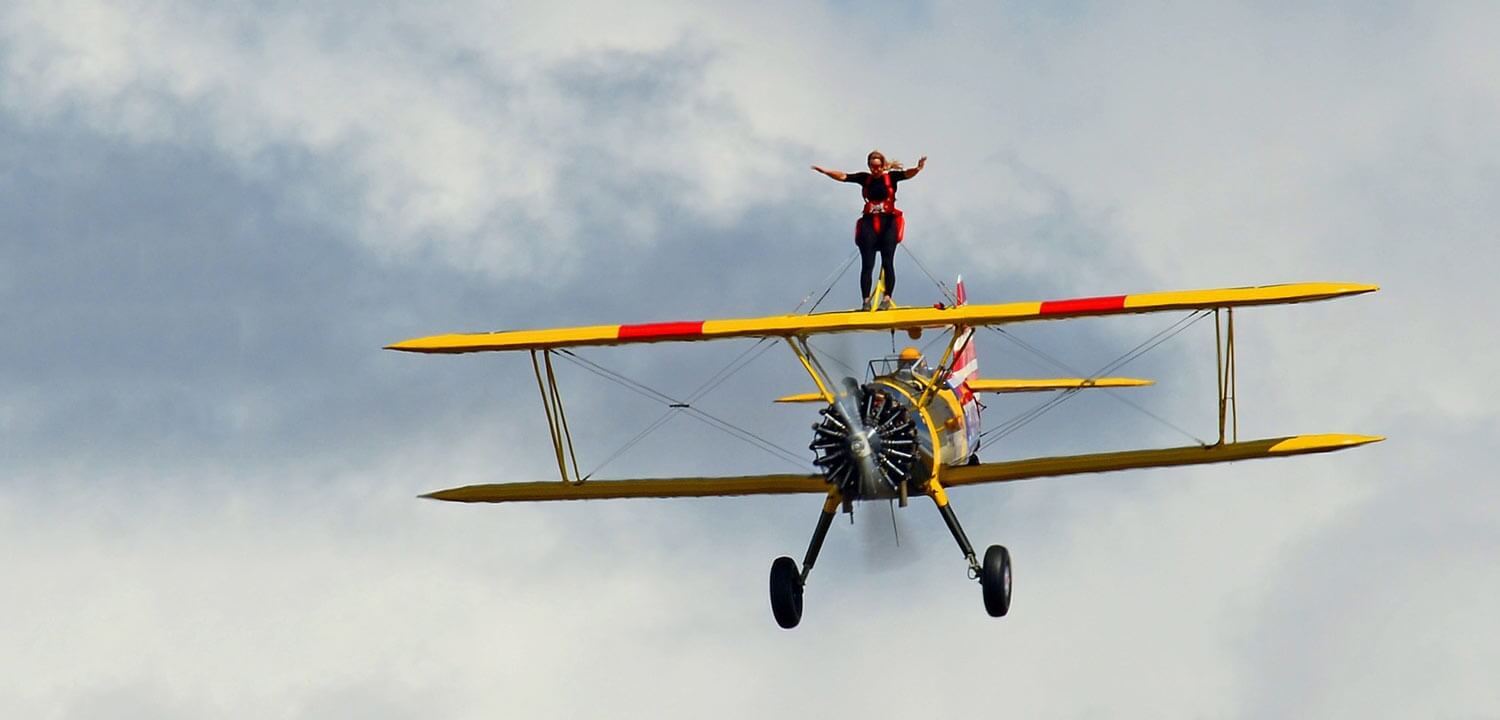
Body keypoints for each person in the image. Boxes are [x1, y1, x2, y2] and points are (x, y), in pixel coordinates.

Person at [812, 150, 927, 309]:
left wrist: (918, 168)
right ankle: (866, 300)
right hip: (869, 223)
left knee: (887, 261)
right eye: (873, 167)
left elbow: (907, 174)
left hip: (888, 223)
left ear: (883, 166)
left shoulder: (891, 177)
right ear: (869, 166)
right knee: (867, 264)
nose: (876, 170)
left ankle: (886, 298)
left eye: (878, 167)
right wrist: (826, 172)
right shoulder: (864, 178)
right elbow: (844, 176)